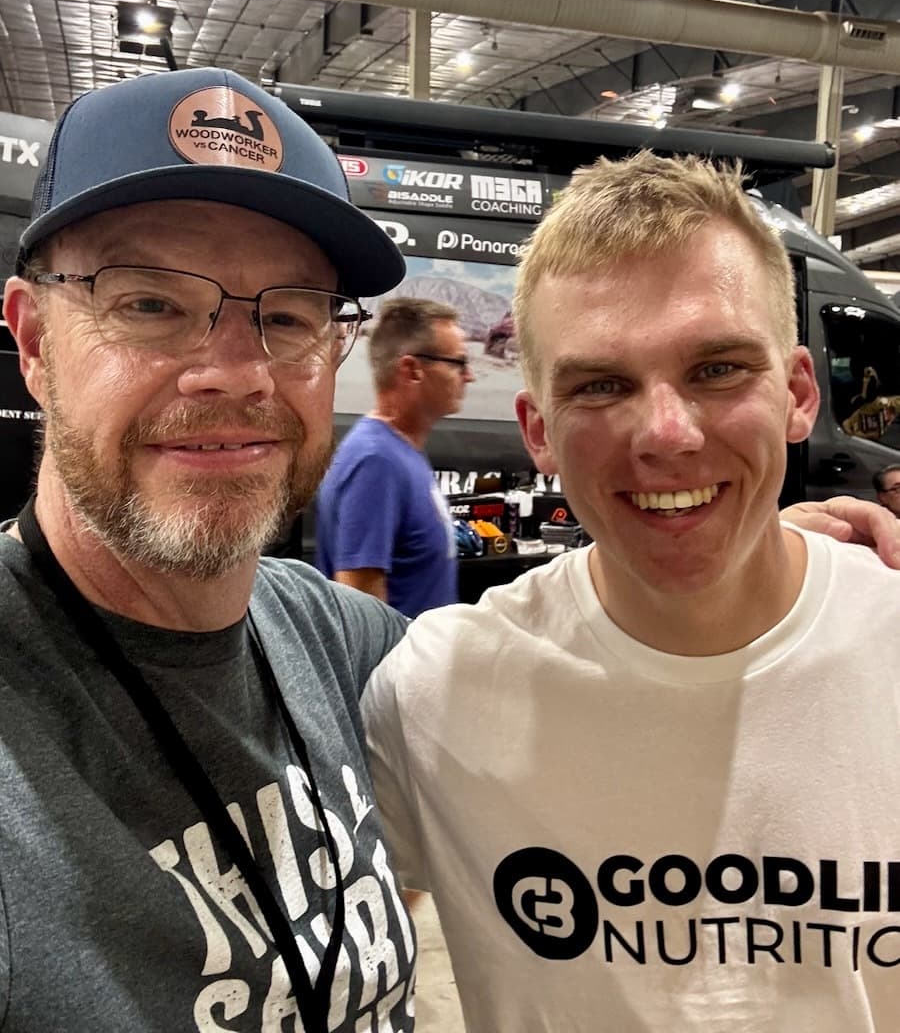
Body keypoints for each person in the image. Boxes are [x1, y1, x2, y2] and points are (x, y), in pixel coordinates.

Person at [362, 150, 900, 1031]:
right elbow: (347, 959)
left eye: (718, 369)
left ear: (798, 393)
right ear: (538, 430)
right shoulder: (437, 694)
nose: (665, 433)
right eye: (601, 385)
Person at [0, 67, 417, 1031]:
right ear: (32, 340)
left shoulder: (340, 640)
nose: (232, 374)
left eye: (286, 316)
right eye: (150, 303)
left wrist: (759, 561)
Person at [316, 298, 473, 617]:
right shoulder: (376, 462)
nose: (468, 376)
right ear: (412, 370)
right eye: (458, 363)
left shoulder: (400, 450)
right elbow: (360, 608)